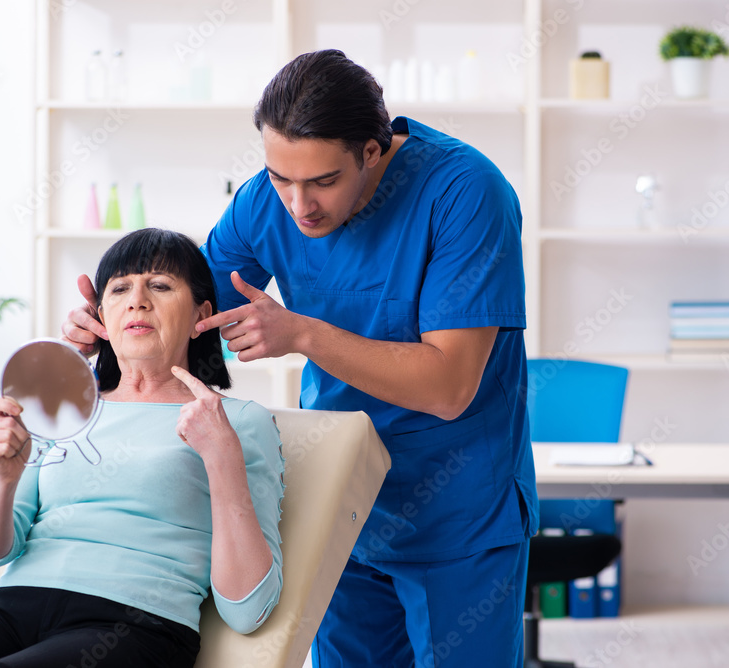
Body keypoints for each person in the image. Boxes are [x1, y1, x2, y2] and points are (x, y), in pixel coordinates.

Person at [63, 50, 538, 667]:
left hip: (457, 509)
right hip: (342, 495)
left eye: (322, 182)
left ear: (372, 149)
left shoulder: (466, 194)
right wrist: (111, 324)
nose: (298, 205)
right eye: (280, 176)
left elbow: (449, 386)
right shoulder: (266, 201)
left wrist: (304, 335)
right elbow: (188, 309)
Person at [0, 229, 284, 668]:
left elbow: (247, 609)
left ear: (203, 312)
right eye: (120, 288)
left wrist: (222, 458)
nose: (138, 300)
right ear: (101, 318)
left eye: (161, 286)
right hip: (8, 606)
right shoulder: (66, 406)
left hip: (133, 626)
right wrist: (4, 479)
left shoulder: (235, 422)